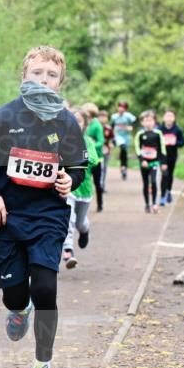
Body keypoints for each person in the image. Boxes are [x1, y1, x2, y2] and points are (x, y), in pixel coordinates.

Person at [0, 45, 87, 368]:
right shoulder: (3, 116)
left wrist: (69, 180)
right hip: (5, 216)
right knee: (14, 294)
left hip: (48, 215)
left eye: (51, 75)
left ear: (60, 82)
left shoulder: (66, 121)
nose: (43, 80)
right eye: (37, 73)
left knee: (46, 288)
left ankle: (42, 367)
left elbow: (78, 165)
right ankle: (19, 308)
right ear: (24, 76)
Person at [62, 109, 99, 269]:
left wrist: (78, 157)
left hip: (85, 189)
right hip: (68, 188)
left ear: (84, 125)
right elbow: (46, 144)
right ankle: (68, 250)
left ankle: (85, 231)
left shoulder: (87, 141)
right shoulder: (58, 137)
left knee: (80, 223)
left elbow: (94, 160)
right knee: (69, 219)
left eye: (79, 121)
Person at [133, 109, 164, 212]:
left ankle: (154, 203)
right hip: (144, 163)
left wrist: (162, 162)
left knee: (154, 182)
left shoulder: (158, 133)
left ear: (154, 121)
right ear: (142, 122)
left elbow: (162, 148)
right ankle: (147, 204)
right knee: (146, 183)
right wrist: (142, 160)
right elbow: (137, 148)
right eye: (146, 121)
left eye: (150, 120)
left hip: (154, 162)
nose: (148, 123)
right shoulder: (140, 134)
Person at [82, 103, 105, 214]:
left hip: (96, 158)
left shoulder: (97, 125)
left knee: (97, 182)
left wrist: (90, 145)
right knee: (84, 179)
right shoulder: (83, 122)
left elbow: (101, 141)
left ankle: (100, 204)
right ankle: (83, 202)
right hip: (85, 157)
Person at [159, 109, 184, 205]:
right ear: (163, 118)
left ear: (174, 118)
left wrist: (175, 143)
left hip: (172, 156)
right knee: (164, 174)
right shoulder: (159, 129)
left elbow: (183, 142)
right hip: (162, 156)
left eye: (171, 116)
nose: (169, 118)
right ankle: (162, 196)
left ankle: (168, 191)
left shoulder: (177, 130)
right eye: (167, 116)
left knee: (170, 174)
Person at [110, 101, 136, 180]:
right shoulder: (114, 116)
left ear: (125, 109)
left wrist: (131, 127)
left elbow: (135, 123)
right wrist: (112, 138)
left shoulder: (129, 116)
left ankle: (123, 167)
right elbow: (112, 127)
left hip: (126, 136)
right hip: (118, 135)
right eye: (120, 107)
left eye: (123, 107)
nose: (121, 109)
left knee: (124, 151)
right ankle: (123, 166)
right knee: (122, 146)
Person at [97, 109, 114, 205]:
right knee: (99, 168)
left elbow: (112, 138)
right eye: (101, 117)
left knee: (104, 169)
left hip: (106, 151)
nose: (103, 119)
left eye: (104, 117)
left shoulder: (108, 128)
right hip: (97, 151)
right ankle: (98, 185)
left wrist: (111, 144)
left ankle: (102, 186)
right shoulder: (96, 127)